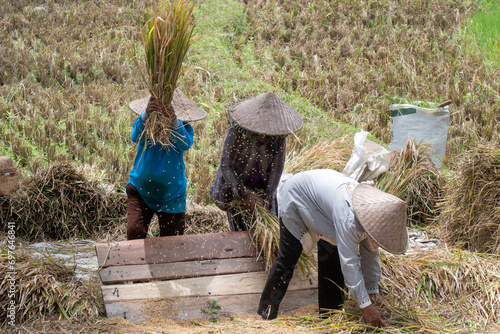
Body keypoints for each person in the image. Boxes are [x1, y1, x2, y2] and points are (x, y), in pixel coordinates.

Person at [257, 169, 408, 327]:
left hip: (326, 207)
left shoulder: (373, 216)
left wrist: (372, 291)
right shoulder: (349, 218)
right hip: (297, 196)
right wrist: (366, 307)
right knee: (288, 258)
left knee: (331, 257)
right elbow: (349, 263)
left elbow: (370, 254)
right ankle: (266, 312)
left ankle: (330, 317)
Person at [209, 92, 303, 232]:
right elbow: (226, 165)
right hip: (238, 189)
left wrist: (268, 196)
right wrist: (244, 193)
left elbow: (277, 168)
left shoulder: (278, 136)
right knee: (241, 233)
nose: (265, 133)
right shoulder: (237, 132)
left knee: (269, 232)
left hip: (262, 189)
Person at [126, 89, 206, 240]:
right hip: (141, 189)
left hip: (172, 194)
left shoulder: (183, 127)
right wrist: (147, 114)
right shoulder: (146, 122)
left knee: (172, 243)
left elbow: (185, 144)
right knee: (135, 232)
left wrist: (174, 121)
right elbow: (135, 137)